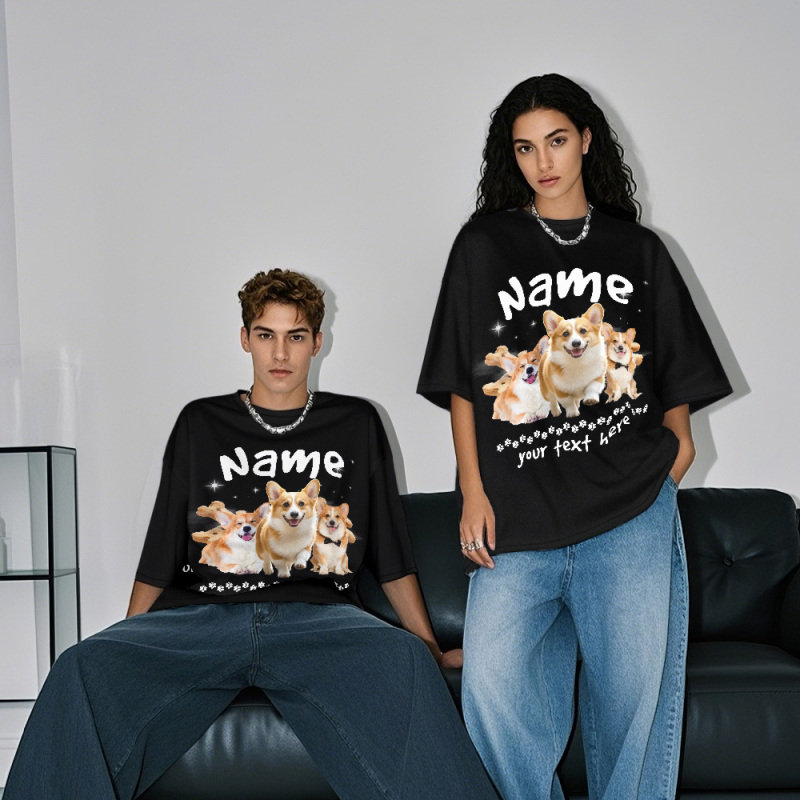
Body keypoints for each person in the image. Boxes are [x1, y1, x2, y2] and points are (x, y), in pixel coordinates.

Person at [5, 268, 498, 800]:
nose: (280, 354)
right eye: (266, 335)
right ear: (245, 339)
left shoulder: (357, 422)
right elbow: (161, 550)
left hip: (319, 621)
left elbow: (391, 554)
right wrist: (128, 639)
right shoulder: (200, 421)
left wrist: (429, 647)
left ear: (317, 342)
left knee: (407, 663)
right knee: (78, 667)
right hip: (202, 621)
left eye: (296, 336)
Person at [417, 74, 732, 800]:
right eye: (525, 148)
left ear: (586, 140)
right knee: (493, 692)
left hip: (628, 519)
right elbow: (463, 382)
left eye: (556, 141)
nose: (543, 162)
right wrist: (472, 492)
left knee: (632, 713)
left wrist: (669, 465)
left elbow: (676, 379)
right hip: (516, 517)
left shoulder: (639, 250)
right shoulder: (483, 245)